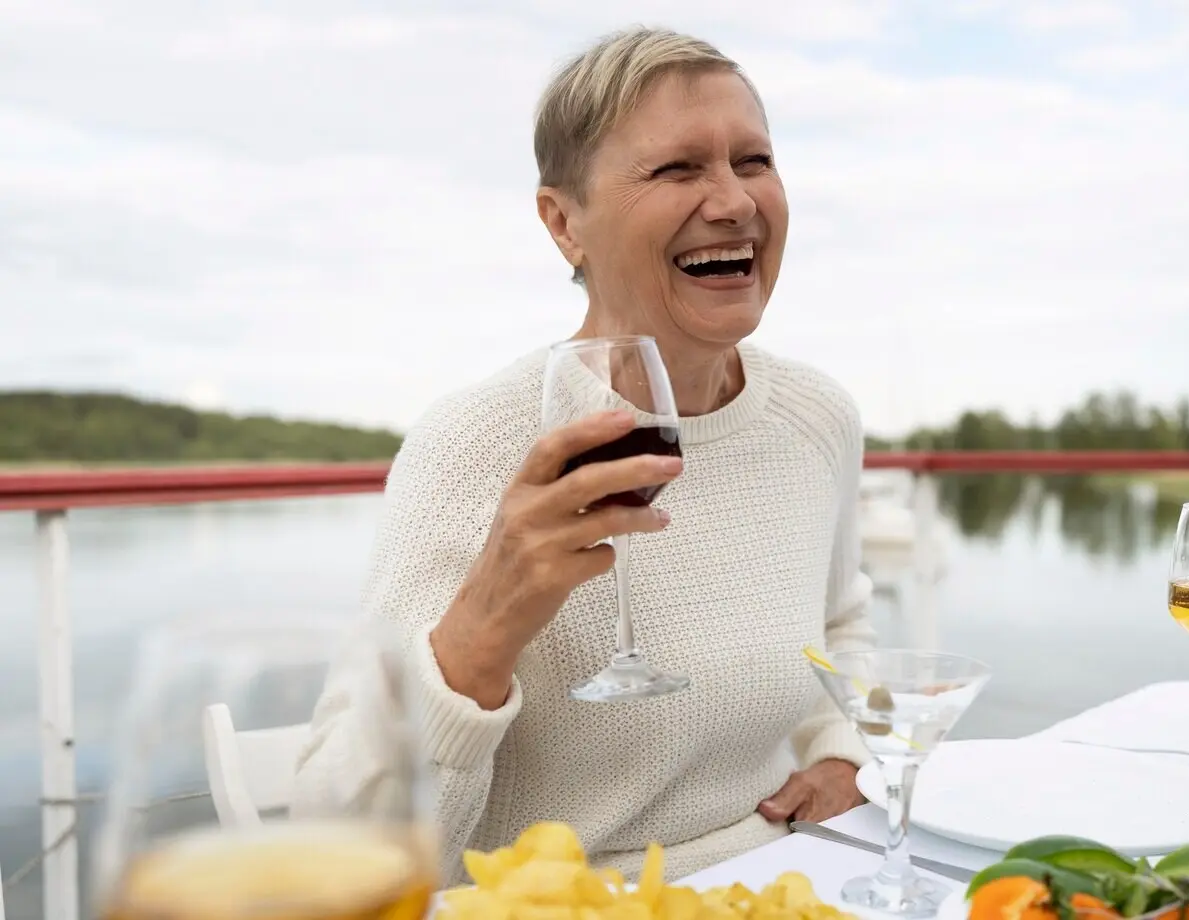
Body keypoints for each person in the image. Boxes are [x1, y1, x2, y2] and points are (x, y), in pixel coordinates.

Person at [293, 26, 876, 885]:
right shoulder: (475, 445)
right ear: (565, 223)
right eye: (678, 169)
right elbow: (336, 850)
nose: (733, 202)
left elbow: (843, 622)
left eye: (752, 161)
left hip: (780, 884)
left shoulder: (816, 417)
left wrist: (844, 750)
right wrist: (481, 631)